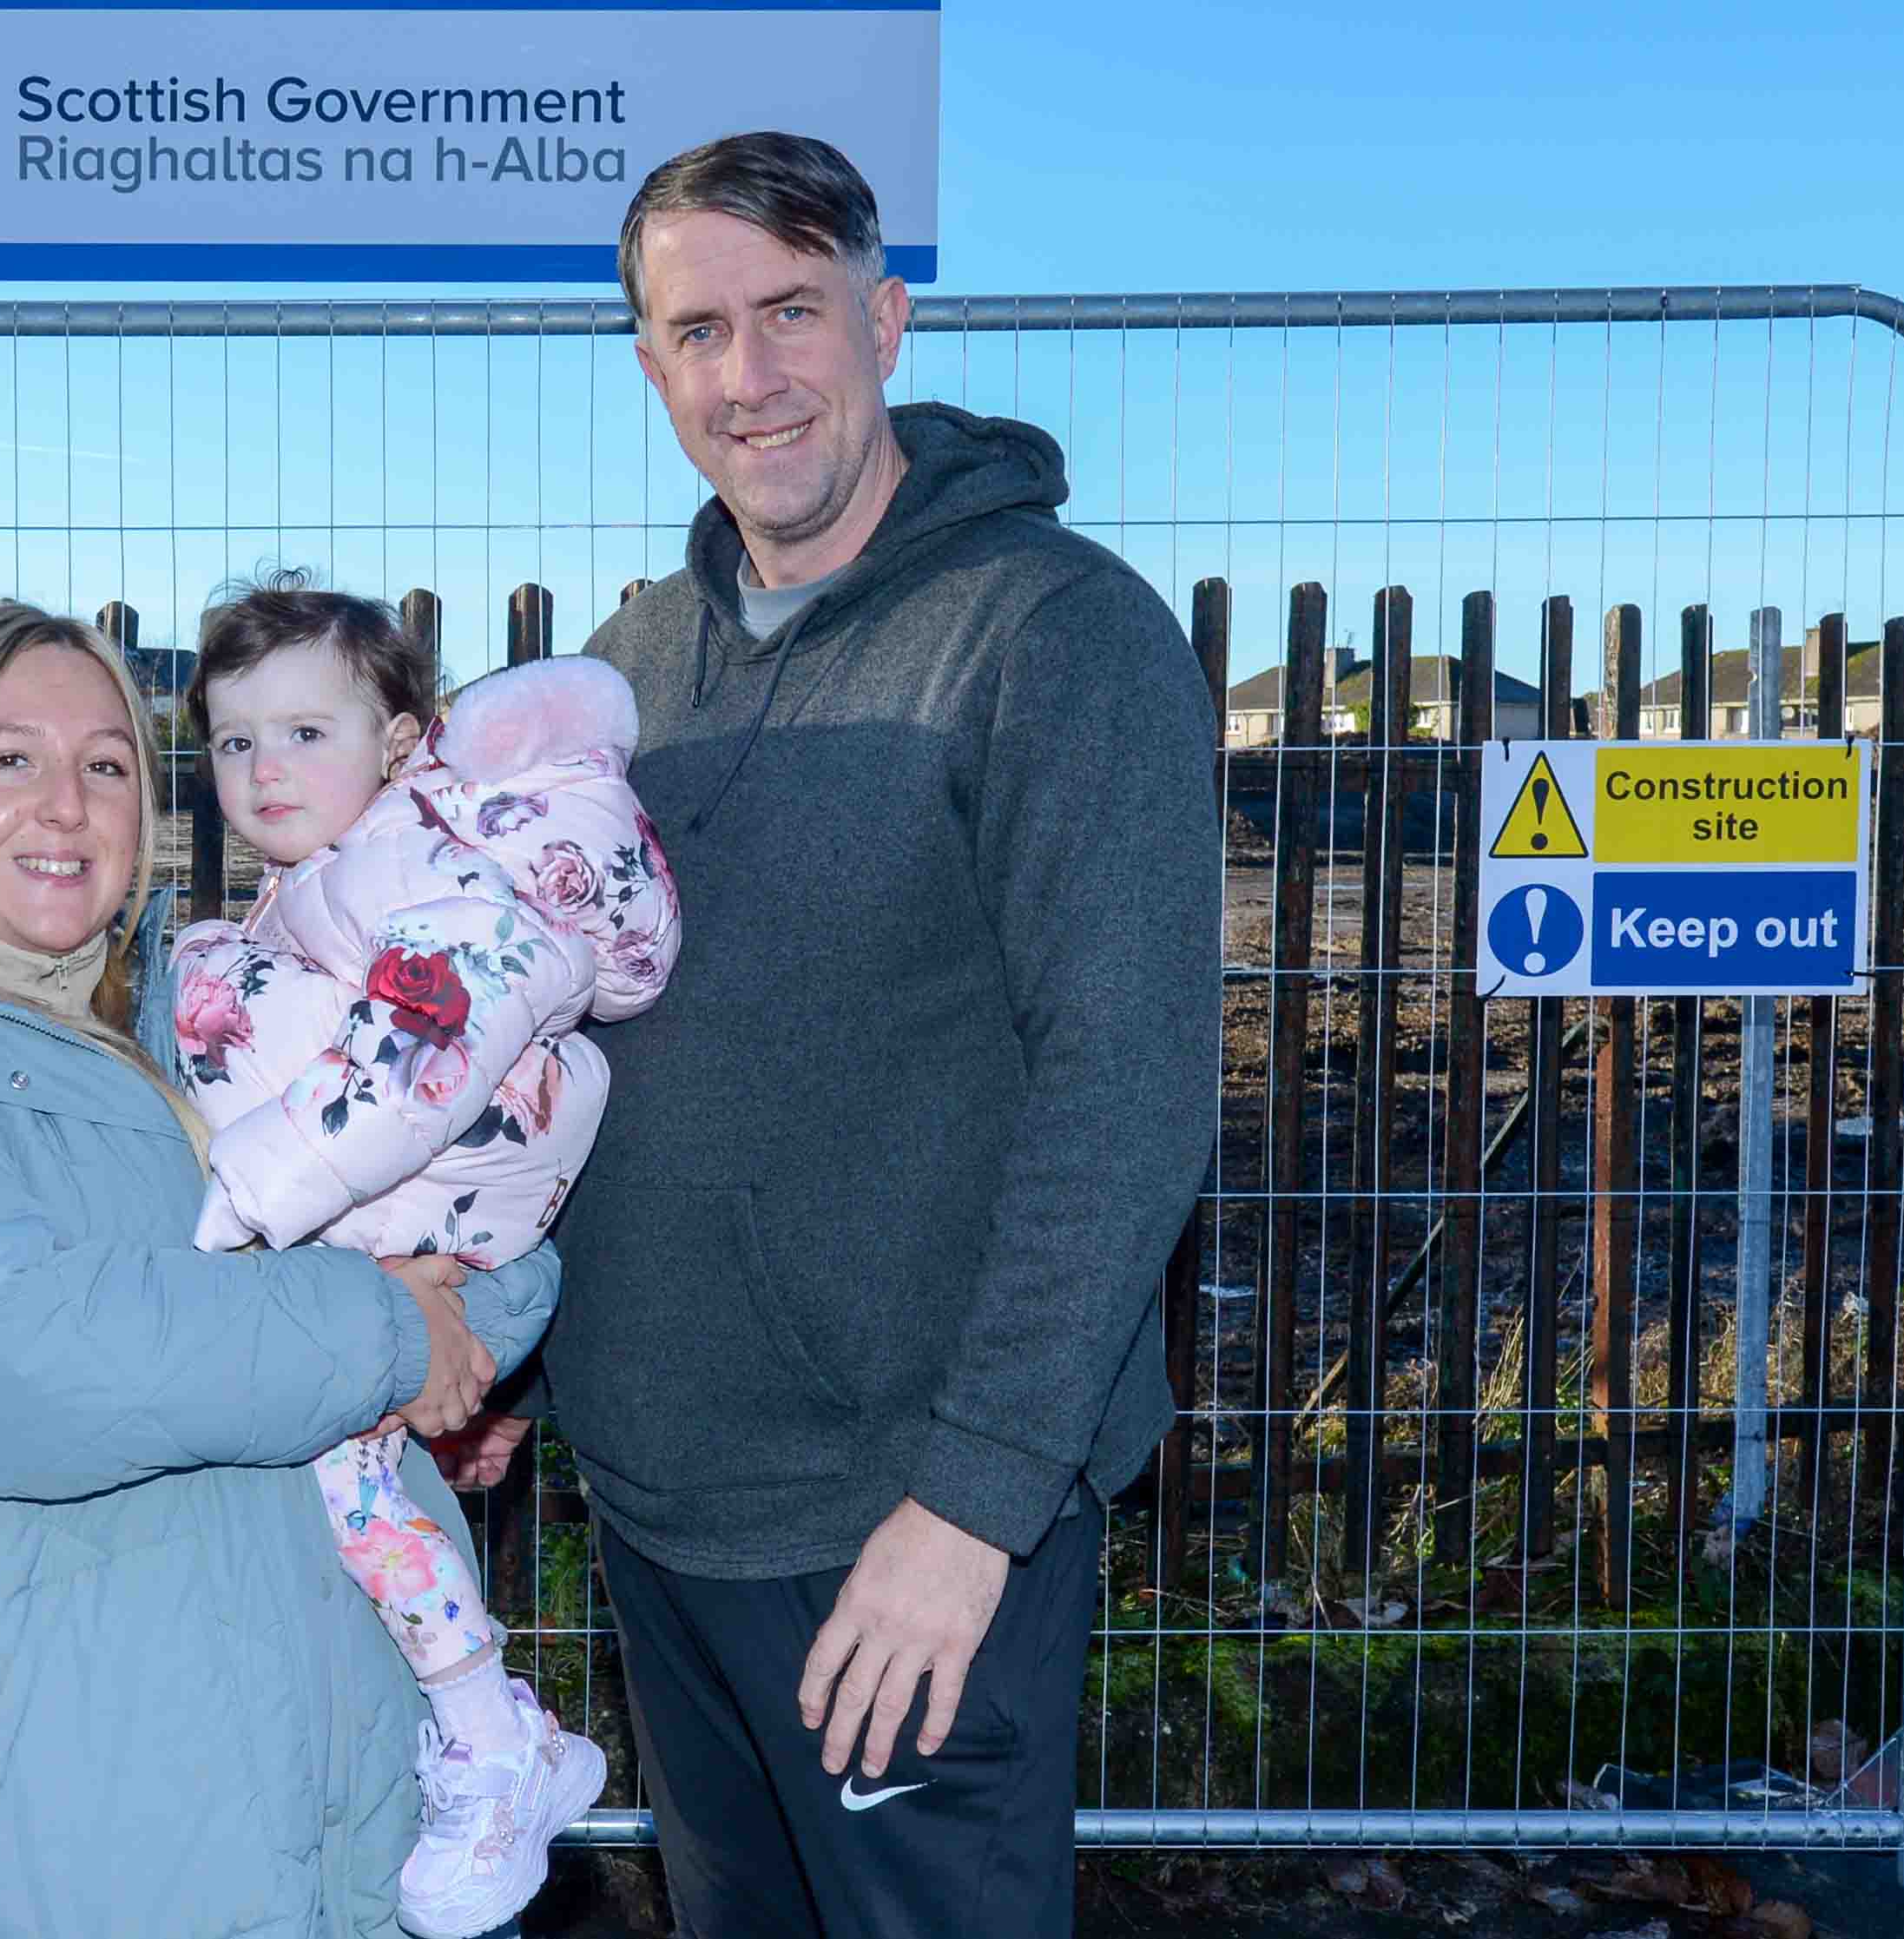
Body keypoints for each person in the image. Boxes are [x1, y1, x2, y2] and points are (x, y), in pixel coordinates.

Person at [434, 134, 1220, 1935]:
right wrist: (508, 1356)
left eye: (791, 313)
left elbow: (1123, 1097)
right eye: (698, 330)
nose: (749, 374)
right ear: (651, 364)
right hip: (661, 1507)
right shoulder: (632, 670)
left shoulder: (1051, 633)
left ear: (882, 320)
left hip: (907, 1527)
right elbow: (559, 1041)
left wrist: (973, 1509)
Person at [0, 598, 564, 1937]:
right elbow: (36, 1360)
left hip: (343, 1833)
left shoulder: (203, 1019)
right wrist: (392, 1338)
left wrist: (468, 1339)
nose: (66, 804)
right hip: (37, 1870)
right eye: (8, 759)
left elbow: (481, 1213)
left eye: (107, 764)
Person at [172, 573, 680, 1939]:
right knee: (352, 1488)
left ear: (398, 742)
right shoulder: (336, 874)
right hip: (430, 1231)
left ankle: (487, 1731)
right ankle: (466, 1726)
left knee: (349, 1489)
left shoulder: (409, 857)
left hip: (441, 1236)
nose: (264, 769)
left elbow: (421, 1054)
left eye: (304, 733)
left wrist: (249, 1194)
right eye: (233, 742)